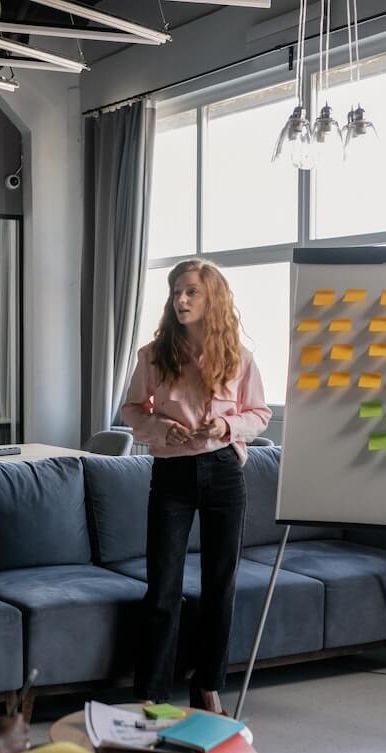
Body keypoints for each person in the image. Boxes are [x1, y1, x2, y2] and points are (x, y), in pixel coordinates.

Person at [120, 258, 272, 714]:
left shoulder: (239, 358)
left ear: (212, 299)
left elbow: (260, 415)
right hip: (172, 475)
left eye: (190, 292)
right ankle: (152, 691)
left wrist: (225, 425)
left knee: (219, 585)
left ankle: (208, 684)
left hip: (224, 471)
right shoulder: (153, 355)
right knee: (163, 586)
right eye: (175, 292)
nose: (180, 300)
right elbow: (131, 410)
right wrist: (160, 430)